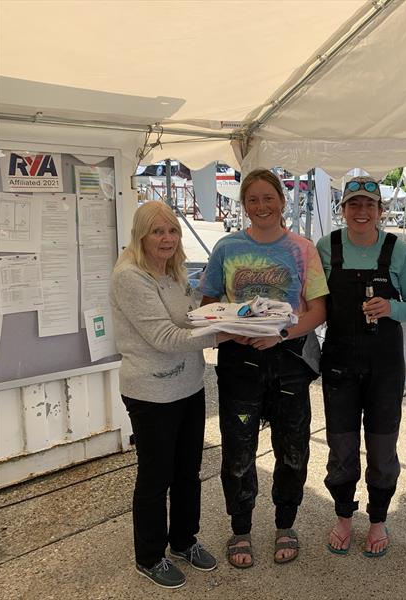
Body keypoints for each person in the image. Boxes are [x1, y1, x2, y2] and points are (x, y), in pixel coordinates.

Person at [200, 169, 328, 567]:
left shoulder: (303, 249)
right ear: (243, 205)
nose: (261, 207)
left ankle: (285, 523)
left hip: (289, 359)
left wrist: (282, 334)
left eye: (268, 198)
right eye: (252, 200)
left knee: (293, 450)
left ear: (282, 201)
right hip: (240, 362)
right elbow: (209, 305)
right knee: (239, 451)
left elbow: (319, 310)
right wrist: (229, 328)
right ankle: (241, 529)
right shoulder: (227, 248)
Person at [111, 201, 235, 589]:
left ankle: (184, 541)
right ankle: (149, 556)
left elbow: (190, 317)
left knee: (187, 472)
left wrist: (232, 313)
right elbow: (165, 338)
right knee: (155, 476)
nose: (167, 239)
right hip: (150, 393)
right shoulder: (130, 277)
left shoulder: (173, 272)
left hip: (189, 386)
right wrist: (226, 334)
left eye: (173, 231)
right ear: (140, 235)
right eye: (157, 232)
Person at [316, 176, 406, 558]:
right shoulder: (326, 247)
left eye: (369, 205)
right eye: (353, 205)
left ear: (381, 211)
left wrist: (391, 308)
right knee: (341, 445)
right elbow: (313, 303)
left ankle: (378, 517)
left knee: (382, 447)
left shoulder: (397, 250)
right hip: (339, 364)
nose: (361, 212)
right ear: (343, 209)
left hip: (384, 366)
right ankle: (344, 514)